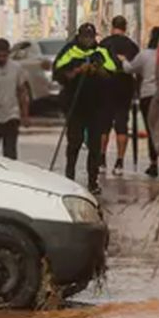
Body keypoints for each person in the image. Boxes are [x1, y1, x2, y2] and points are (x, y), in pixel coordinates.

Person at [53, 23, 119, 195]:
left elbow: (114, 72)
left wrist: (98, 69)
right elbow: (57, 72)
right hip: (75, 106)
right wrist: (76, 71)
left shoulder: (102, 52)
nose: (88, 40)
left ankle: (93, 181)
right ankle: (69, 178)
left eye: (91, 37)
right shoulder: (70, 51)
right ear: (79, 36)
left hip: (96, 106)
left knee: (95, 146)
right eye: (85, 37)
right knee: (74, 142)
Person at [99, 15, 140, 174]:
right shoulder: (132, 46)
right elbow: (137, 69)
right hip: (125, 89)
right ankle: (119, 162)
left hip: (105, 88)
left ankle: (101, 160)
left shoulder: (104, 44)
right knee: (122, 126)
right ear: (125, 27)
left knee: (104, 127)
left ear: (112, 26)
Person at [125, 26, 159, 177]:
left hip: (148, 96)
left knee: (151, 130)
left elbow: (129, 68)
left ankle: (153, 164)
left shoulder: (145, 55)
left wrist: (122, 60)